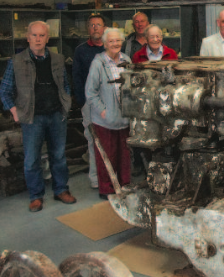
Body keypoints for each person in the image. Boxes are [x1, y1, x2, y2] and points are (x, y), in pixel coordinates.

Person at [0, 21, 75, 212]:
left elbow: (65, 84)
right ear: (28, 38)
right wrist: (15, 112)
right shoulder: (16, 61)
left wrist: (65, 104)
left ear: (48, 38)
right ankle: (36, 196)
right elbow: (5, 90)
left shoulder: (58, 59)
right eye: (34, 35)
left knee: (58, 156)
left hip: (56, 115)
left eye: (42, 35)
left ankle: (61, 190)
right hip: (32, 118)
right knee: (32, 159)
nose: (38, 39)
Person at [85, 28, 132, 199]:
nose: (115, 44)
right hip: (105, 120)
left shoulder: (126, 60)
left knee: (125, 154)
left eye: (118, 40)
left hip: (124, 117)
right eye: (111, 41)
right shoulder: (98, 63)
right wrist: (103, 111)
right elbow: (90, 92)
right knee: (107, 154)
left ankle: (125, 184)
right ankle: (107, 189)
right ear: (105, 44)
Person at [72, 14, 106, 189]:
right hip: (90, 105)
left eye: (98, 25)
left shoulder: (111, 48)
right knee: (93, 141)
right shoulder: (81, 50)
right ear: (88, 28)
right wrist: (82, 101)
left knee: (111, 141)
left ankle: (111, 177)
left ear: (104, 28)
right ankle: (95, 178)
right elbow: (76, 77)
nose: (95, 28)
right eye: (92, 25)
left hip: (110, 105)